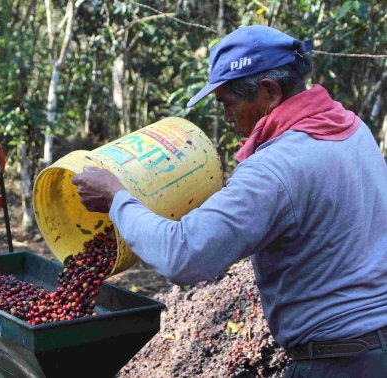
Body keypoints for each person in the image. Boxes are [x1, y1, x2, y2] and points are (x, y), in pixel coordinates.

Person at [71, 25, 387, 377]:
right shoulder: (352, 127)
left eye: (228, 103)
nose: (227, 118)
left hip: (339, 362)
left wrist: (117, 197)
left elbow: (185, 255)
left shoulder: (276, 167)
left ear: (269, 92)